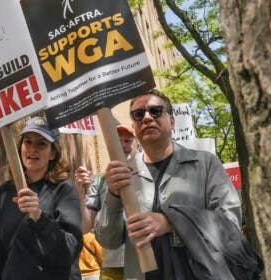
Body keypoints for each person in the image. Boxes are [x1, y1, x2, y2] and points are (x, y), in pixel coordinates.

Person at [94, 89, 243, 280]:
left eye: (155, 111)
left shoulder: (206, 164)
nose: (147, 118)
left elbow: (230, 223)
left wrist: (171, 223)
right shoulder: (122, 174)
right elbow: (108, 240)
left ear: (171, 122)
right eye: (138, 114)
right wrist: (113, 196)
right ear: (133, 126)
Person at [0, 116, 83, 280]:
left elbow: (70, 249)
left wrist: (39, 217)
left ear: (53, 153)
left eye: (41, 143)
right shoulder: (4, 192)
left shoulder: (64, 190)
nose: (32, 149)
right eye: (28, 141)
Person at [75, 125, 139, 280]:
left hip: (144, 264)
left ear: (137, 144)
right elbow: (85, 227)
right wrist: (80, 191)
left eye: (128, 140)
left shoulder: (149, 175)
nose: (123, 145)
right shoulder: (99, 180)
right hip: (112, 267)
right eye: (118, 141)